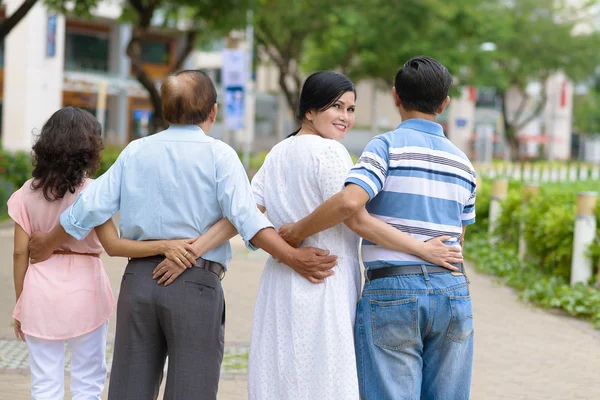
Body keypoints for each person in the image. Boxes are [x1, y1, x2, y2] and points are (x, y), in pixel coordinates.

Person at [27, 70, 338, 400]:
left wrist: (48, 241)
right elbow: (246, 217)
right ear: (213, 112)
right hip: (196, 285)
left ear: (165, 112)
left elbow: (89, 204)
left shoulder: (135, 151)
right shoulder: (220, 155)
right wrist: (291, 257)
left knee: (129, 390)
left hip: (139, 282)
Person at [279, 58, 477, 400]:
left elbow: (348, 204)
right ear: (445, 103)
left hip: (393, 289)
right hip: (453, 290)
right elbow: (458, 239)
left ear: (396, 97)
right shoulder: (464, 163)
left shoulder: (385, 147)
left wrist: (296, 232)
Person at [10, 107, 198, 400]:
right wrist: (163, 245)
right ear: (89, 148)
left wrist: (21, 302)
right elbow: (113, 246)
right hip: (86, 291)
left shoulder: (25, 193)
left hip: (39, 292)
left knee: (44, 384)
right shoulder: (92, 191)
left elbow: (20, 253)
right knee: (88, 381)